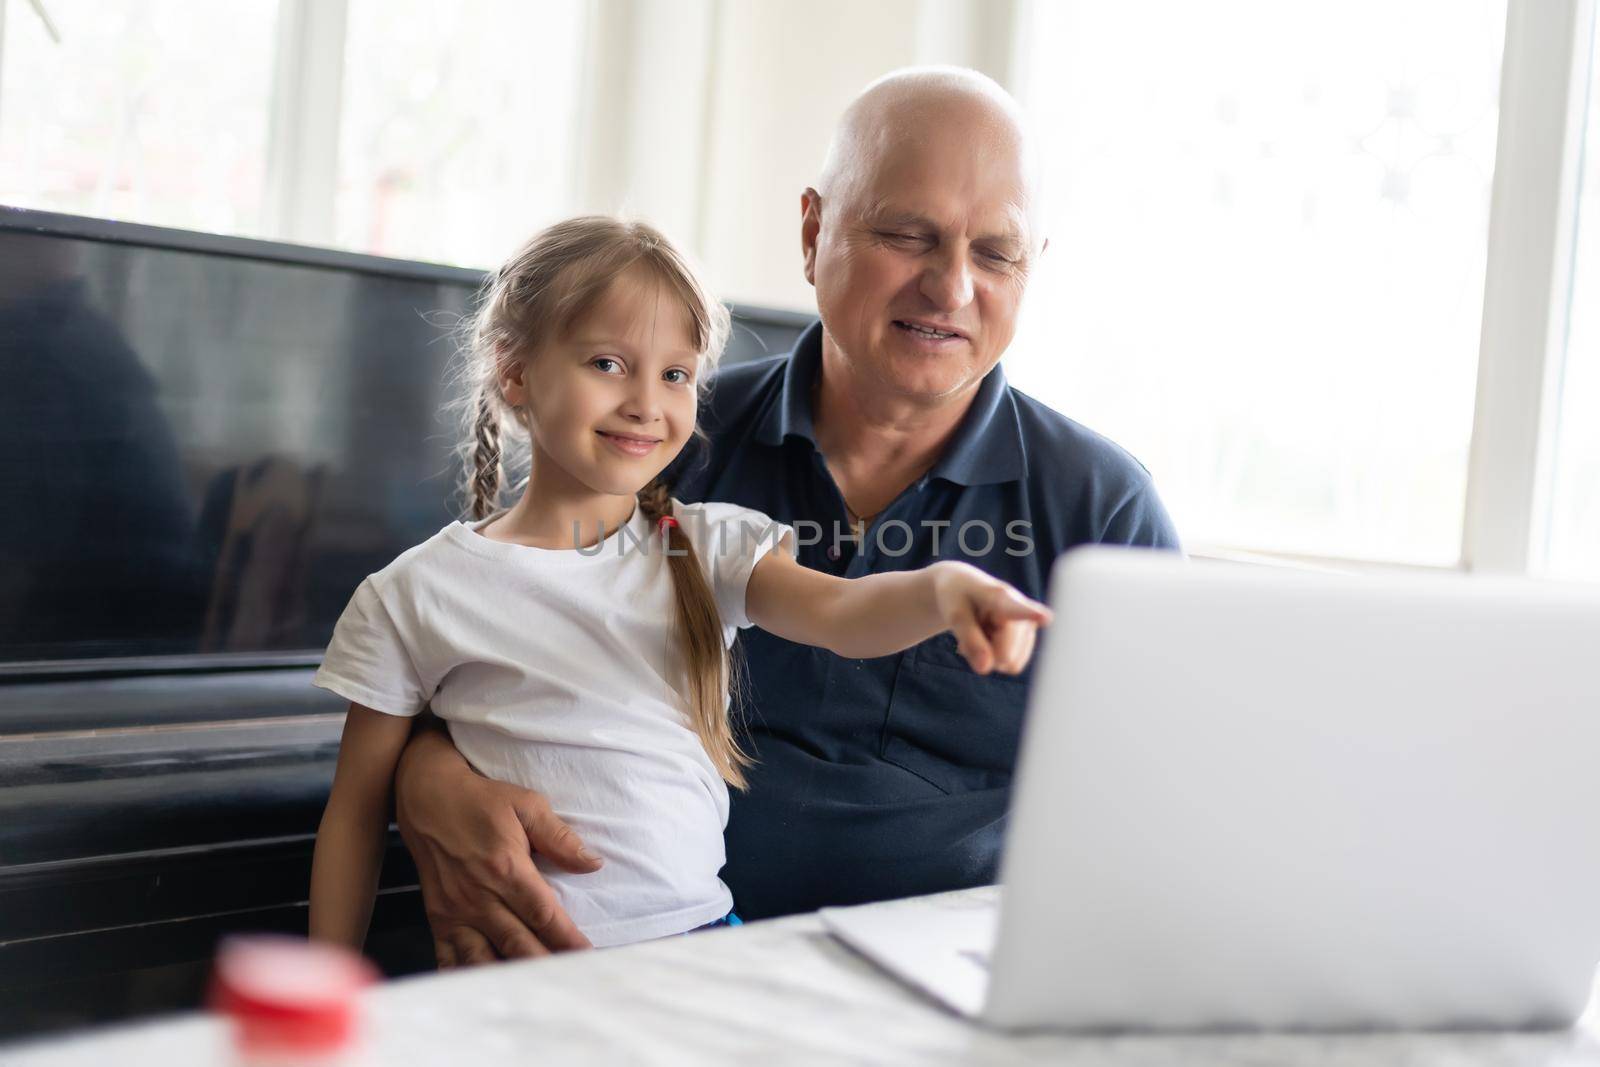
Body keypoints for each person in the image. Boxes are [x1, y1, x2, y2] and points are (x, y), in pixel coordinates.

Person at [393, 67, 1182, 967]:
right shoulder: (662, 439)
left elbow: (1157, 828)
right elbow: (474, 636)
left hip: (950, 988)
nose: (951, 286)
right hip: (659, 961)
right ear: (813, 233)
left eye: (996, 253)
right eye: (906, 234)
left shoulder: (1106, 508)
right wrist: (427, 778)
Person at [306, 216, 1051, 950]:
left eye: (675, 374)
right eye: (607, 363)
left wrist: (944, 589)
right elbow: (356, 812)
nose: (646, 402)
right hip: (517, 970)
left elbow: (843, 612)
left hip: (694, 951)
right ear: (515, 370)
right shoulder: (411, 593)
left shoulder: (709, 545)